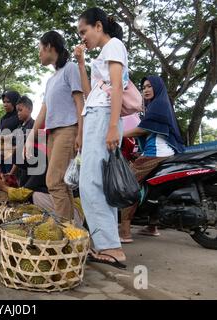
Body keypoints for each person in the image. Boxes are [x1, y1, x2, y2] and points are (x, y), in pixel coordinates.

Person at [74, 7, 128, 268]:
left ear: (98, 26)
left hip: (104, 116)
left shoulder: (114, 45)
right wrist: (82, 63)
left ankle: (111, 247)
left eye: (83, 31)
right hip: (96, 115)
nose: (82, 37)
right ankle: (108, 244)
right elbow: (88, 93)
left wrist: (113, 127)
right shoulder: (104, 54)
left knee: (90, 184)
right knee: (96, 183)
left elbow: (117, 88)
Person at [25, 30, 84, 220]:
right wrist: (29, 139)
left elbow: (79, 102)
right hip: (52, 134)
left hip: (68, 130)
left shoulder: (71, 68)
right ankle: (70, 232)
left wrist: (80, 134)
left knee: (53, 181)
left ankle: (64, 230)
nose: (39, 53)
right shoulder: (51, 80)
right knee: (62, 183)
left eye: (40, 49)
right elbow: (43, 111)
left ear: (50, 46)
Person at [119, 75, 185, 243]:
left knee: (128, 185)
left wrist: (117, 134)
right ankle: (152, 226)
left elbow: (142, 130)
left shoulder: (158, 105)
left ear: (158, 87)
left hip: (156, 153)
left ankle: (125, 231)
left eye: (149, 86)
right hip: (163, 152)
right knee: (154, 189)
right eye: (144, 87)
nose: (146, 90)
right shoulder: (160, 105)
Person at [9, 95, 35, 186]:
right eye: (17, 111)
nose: (18, 113)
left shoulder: (33, 126)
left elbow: (24, 149)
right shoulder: (19, 127)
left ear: (30, 109)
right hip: (18, 169)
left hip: (29, 169)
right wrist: (11, 173)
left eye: (20, 110)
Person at [0, 91, 22, 174]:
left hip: (13, 155)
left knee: (12, 180)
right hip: (1, 154)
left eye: (8, 102)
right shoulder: (3, 118)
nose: (5, 104)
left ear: (15, 102)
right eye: (4, 102)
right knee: (3, 179)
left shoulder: (19, 117)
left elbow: (21, 132)